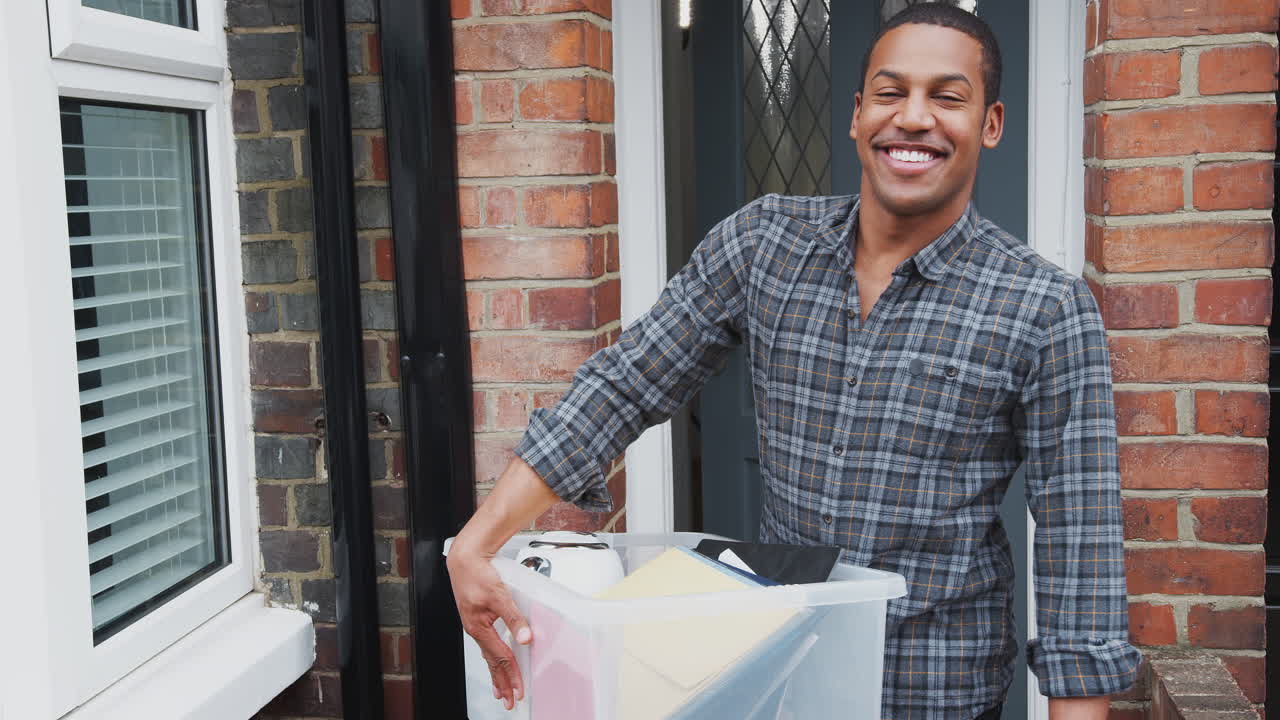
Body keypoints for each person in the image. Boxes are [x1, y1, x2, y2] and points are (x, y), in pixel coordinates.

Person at [446, 4, 1141, 718]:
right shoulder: (765, 246)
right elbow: (623, 386)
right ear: (857, 112)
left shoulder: (1045, 307)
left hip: (935, 688)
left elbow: (1078, 547)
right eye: (892, 92)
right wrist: (476, 544)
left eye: (948, 97)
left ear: (991, 124)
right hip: (779, 670)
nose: (914, 117)